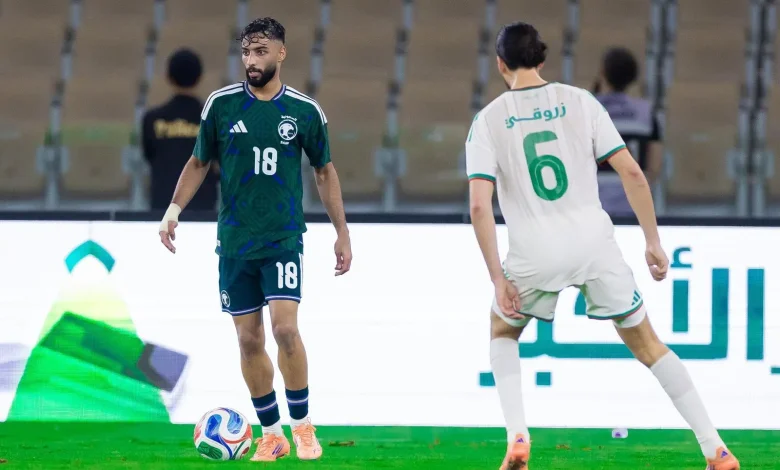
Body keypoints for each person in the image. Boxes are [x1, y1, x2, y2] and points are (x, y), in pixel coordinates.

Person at [465, 22, 739, 470]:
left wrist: (498, 277)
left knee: (503, 332)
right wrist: (653, 241)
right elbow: (632, 172)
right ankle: (716, 449)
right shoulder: (582, 101)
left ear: (500, 64)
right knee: (649, 345)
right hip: (594, 243)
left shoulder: (488, 120)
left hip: (535, 251)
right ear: (542, 58)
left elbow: (480, 206)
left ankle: (518, 437)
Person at [157, 18, 352, 462]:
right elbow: (198, 162)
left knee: (285, 329)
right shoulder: (221, 105)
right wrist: (173, 209)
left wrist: (342, 231)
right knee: (248, 340)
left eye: (260, 51)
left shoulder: (304, 111)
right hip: (235, 242)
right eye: (246, 52)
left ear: (281, 53)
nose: (251, 60)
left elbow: (324, 172)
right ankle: (272, 434)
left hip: (282, 237)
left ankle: (302, 426)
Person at [142, 48, 219, 211]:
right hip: (202, 209)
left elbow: (149, 157)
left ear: (168, 77)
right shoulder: (215, 118)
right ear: (200, 77)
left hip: (163, 209)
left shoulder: (152, 119)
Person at [592, 47, 664, 217]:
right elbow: (655, 165)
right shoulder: (646, 112)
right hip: (633, 207)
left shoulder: (587, 108)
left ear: (603, 73)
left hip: (594, 207)